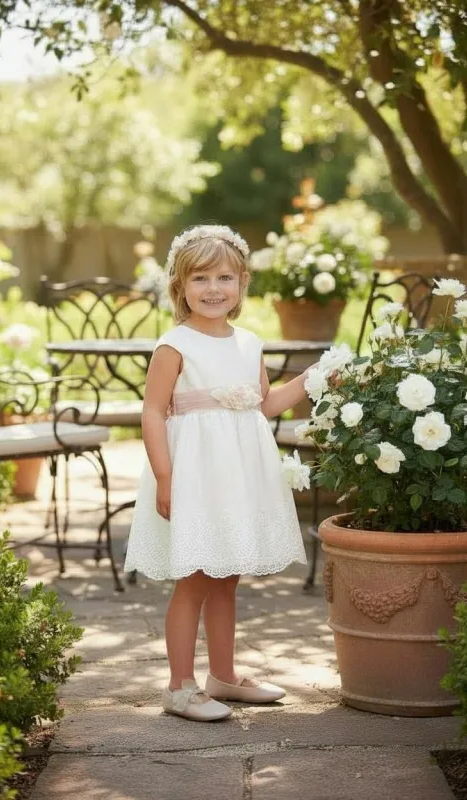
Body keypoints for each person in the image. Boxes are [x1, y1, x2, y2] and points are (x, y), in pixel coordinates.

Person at [125, 224, 315, 722]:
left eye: (224, 278)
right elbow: (151, 411)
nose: (213, 289)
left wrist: (309, 380)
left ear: (242, 282)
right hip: (195, 473)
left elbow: (265, 403)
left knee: (227, 575)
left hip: (239, 475)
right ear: (179, 286)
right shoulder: (175, 344)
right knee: (194, 577)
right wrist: (165, 477)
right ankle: (179, 686)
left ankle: (224, 676)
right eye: (201, 278)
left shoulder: (249, 342)